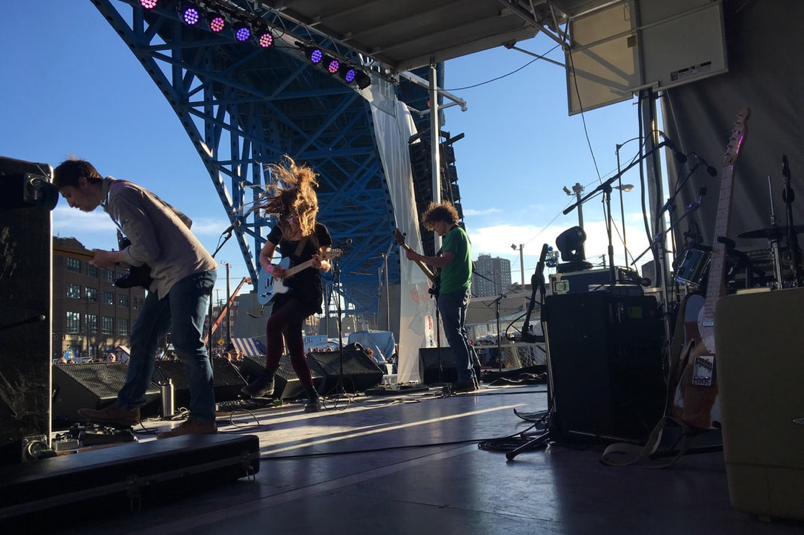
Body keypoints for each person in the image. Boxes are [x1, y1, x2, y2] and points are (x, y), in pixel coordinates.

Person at [54, 158, 218, 438]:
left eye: (68, 195)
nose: (69, 204)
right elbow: (184, 220)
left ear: (83, 182)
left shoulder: (119, 196)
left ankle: (203, 419)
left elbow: (148, 250)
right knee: (142, 337)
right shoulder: (122, 192)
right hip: (168, 276)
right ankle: (128, 407)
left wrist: (112, 257)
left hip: (188, 272)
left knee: (187, 343)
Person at [241, 156, 332, 412]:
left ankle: (268, 378)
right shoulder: (280, 229)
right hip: (285, 290)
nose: (288, 219)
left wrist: (321, 264)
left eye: (292, 215)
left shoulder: (319, 231)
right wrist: (271, 269)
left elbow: (327, 263)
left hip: (307, 292)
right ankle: (313, 396)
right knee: (294, 345)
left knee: (273, 323)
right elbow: (264, 256)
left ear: (304, 210)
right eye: (286, 214)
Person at [404, 201, 477, 392]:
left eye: (434, 225)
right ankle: (470, 376)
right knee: (459, 334)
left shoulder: (453, 235)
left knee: (455, 336)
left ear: (442, 220)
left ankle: (465, 378)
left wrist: (418, 257)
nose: (434, 230)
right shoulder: (462, 236)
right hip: (460, 290)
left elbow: (444, 261)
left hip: (452, 291)